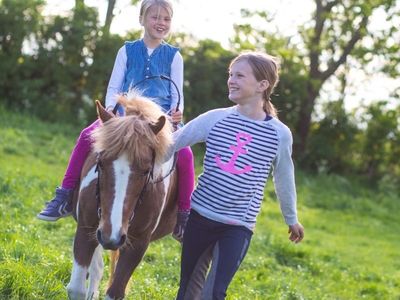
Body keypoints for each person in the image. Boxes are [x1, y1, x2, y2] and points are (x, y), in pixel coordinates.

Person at [37, 0, 195, 241]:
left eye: (166, 19)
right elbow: (114, 86)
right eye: (155, 17)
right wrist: (111, 110)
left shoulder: (174, 56)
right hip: (125, 115)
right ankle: (65, 195)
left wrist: (177, 111)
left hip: (159, 121)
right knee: (86, 136)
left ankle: (184, 215)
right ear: (142, 19)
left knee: (185, 154)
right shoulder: (126, 50)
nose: (160, 23)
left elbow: (178, 94)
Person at [168, 51, 305, 299]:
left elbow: (284, 176)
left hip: (237, 226)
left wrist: (291, 218)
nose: (231, 80)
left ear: (262, 85)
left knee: (215, 293)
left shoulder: (279, 134)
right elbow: (170, 144)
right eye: (230, 74)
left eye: (240, 75)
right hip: (199, 217)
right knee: (187, 290)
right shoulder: (214, 119)